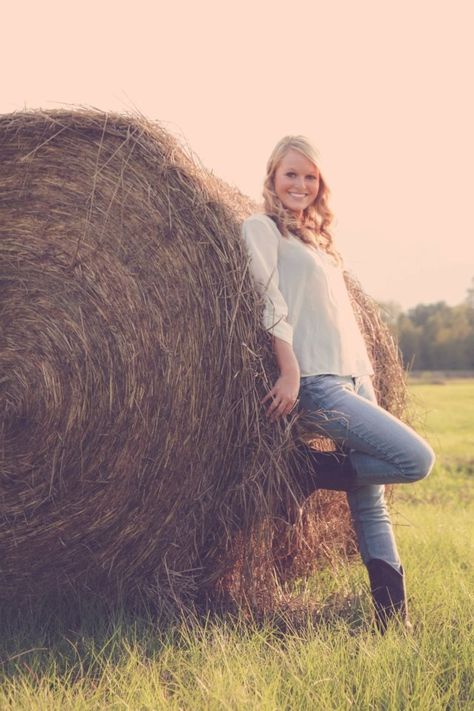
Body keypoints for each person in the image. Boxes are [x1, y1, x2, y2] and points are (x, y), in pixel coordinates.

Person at [241, 135, 435, 633]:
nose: (300, 184)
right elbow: (272, 306)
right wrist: (290, 371)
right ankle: (307, 472)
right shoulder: (261, 230)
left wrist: (368, 376)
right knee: (415, 461)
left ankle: (393, 624)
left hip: (357, 377)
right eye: (291, 174)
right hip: (318, 382)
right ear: (272, 176)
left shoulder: (318, 242)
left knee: (371, 502)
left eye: (310, 176)